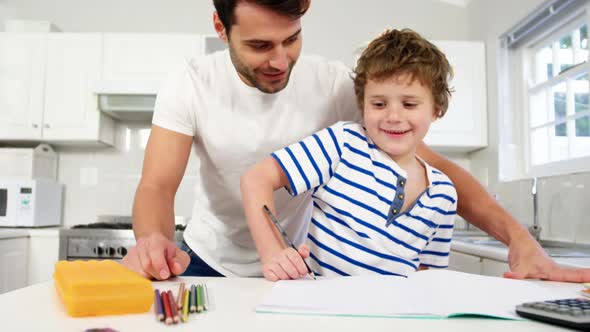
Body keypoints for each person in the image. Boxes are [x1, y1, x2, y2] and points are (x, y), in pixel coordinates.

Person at [122, 0, 590, 282]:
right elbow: (157, 187)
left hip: (303, 269)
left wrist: (518, 239)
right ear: (222, 29)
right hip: (211, 259)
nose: (282, 61)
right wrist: (154, 240)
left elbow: (435, 169)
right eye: (261, 46)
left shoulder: (336, 86)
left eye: (293, 39)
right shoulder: (191, 82)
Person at [241, 28, 458, 279]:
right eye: (378, 104)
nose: (393, 117)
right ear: (362, 105)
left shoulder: (444, 194)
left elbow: (428, 276)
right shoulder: (343, 143)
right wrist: (273, 252)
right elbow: (256, 179)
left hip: (393, 317)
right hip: (322, 310)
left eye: (409, 104)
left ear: (437, 109)